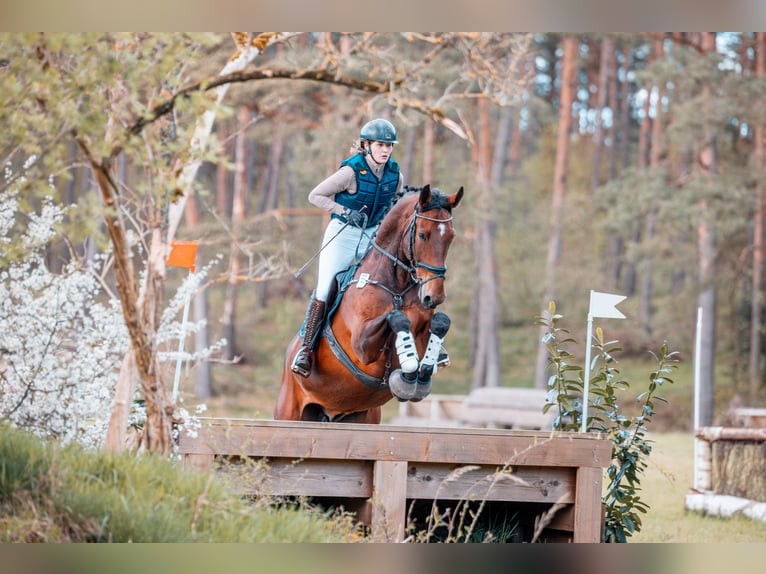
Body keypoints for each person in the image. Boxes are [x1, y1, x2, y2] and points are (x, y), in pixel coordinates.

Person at [291, 118, 404, 377]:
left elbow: (396, 201)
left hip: (373, 235)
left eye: (389, 145)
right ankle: (306, 350)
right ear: (367, 145)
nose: (385, 150)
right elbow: (315, 195)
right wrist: (343, 210)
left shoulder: (395, 173)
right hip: (343, 235)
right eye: (380, 145)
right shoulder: (350, 172)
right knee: (325, 288)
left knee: (392, 280)